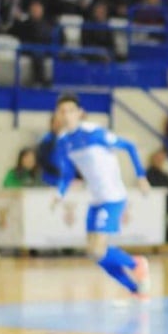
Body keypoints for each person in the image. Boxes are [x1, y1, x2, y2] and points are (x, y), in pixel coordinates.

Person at [51, 94, 152, 300]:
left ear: (79, 113)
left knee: (98, 248)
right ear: (58, 115)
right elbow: (68, 173)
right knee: (94, 253)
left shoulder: (94, 133)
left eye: (71, 110)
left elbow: (129, 146)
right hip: (96, 198)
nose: (67, 115)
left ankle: (136, 263)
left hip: (113, 197)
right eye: (63, 111)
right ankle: (135, 289)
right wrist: (59, 193)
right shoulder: (63, 141)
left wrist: (141, 176)